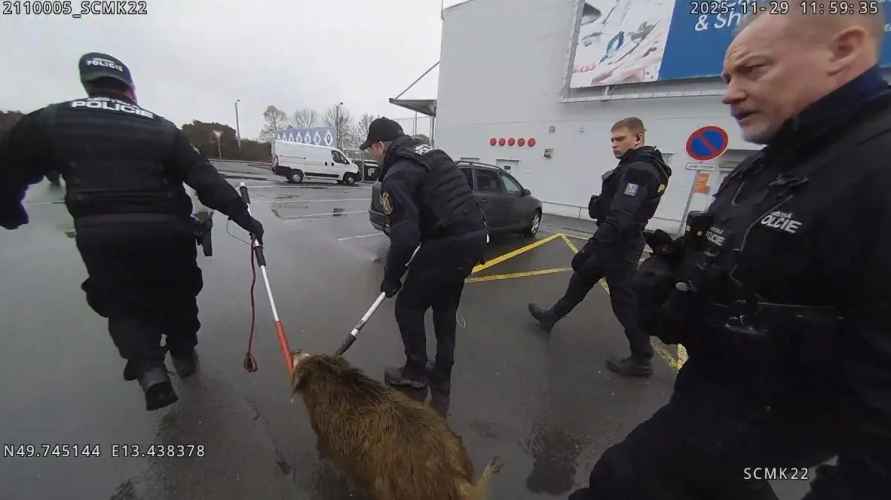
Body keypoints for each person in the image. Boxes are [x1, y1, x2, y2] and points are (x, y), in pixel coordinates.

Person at [569, 5, 891, 499]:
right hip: (706, 425)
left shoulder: (875, 169)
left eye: (753, 69)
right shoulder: (766, 168)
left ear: (843, 50)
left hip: (774, 460)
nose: (730, 92)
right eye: (727, 76)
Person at [0, 53, 264, 411]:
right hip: (167, 234)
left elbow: (12, 160)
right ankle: (184, 355)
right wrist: (245, 218)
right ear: (130, 89)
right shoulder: (160, 128)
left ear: (88, 85)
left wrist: (9, 207)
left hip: (102, 237)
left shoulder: (54, 118)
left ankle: (150, 371)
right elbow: (206, 179)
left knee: (123, 304)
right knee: (179, 295)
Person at [528, 117, 671, 377]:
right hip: (613, 241)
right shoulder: (640, 165)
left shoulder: (639, 170)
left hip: (620, 246)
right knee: (580, 281)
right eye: (612, 140)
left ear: (637, 138)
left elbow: (621, 218)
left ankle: (642, 358)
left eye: (620, 139)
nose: (614, 145)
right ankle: (551, 317)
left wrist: (589, 248)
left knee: (623, 302)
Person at [360, 117, 487, 392]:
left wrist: (391, 278)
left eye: (371, 148)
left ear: (380, 145)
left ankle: (415, 371)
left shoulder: (397, 175)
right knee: (445, 305)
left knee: (408, 305)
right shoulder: (432, 153)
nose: (372, 155)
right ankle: (442, 370)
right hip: (474, 237)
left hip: (448, 244)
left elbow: (404, 237)